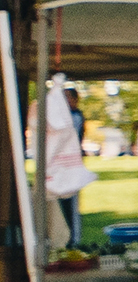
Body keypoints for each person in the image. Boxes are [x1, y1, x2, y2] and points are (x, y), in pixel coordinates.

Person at [57, 88, 84, 247]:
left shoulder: (75, 117)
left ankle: (73, 240)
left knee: (71, 206)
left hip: (71, 168)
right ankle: (64, 238)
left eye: (66, 98)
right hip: (61, 168)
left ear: (74, 100)